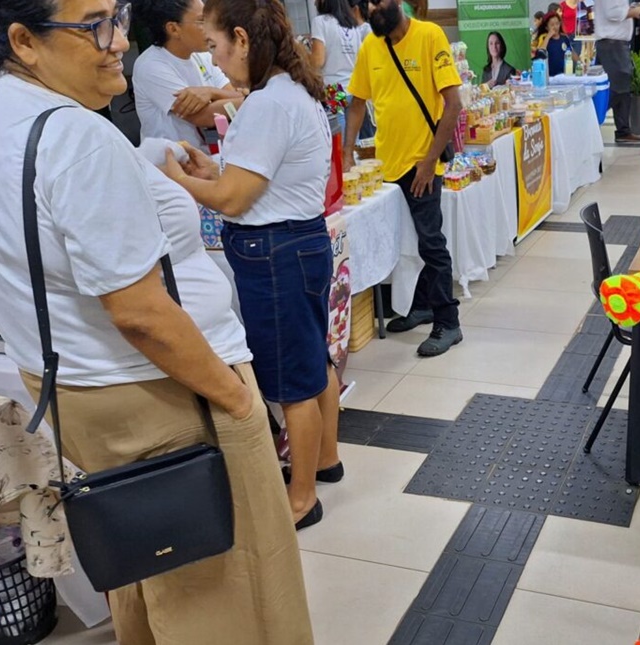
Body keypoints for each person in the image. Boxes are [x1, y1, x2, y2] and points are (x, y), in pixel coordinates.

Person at [0, 0, 315, 642]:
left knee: (151, 563)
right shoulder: (73, 135)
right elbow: (140, 314)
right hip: (158, 387)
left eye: (118, 15)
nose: (118, 40)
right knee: (226, 583)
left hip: (71, 383)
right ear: (24, 41)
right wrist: (237, 400)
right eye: (95, 24)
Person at [162, 0, 341, 530]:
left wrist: (176, 180)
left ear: (241, 38)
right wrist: (213, 168)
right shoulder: (287, 90)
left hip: (276, 253)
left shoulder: (269, 103)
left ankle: (301, 498)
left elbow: (237, 201)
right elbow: (260, 177)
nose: (215, 63)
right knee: (312, 361)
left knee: (291, 383)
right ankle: (325, 460)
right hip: (296, 242)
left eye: (216, 46)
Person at [344, 0, 465, 356]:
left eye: (378, 1)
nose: (371, 8)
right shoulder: (370, 46)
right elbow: (356, 103)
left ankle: (449, 322)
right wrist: (347, 150)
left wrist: (428, 164)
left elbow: (453, 104)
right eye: (365, 3)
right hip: (385, 167)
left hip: (421, 164)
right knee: (402, 242)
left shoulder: (430, 35)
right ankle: (422, 305)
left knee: (431, 242)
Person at [131, 0, 245, 152]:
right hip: (173, 165)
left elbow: (235, 93)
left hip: (208, 158)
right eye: (200, 21)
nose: (208, 27)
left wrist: (212, 92)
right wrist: (254, 101)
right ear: (173, 29)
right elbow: (204, 116)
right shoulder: (151, 65)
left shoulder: (203, 56)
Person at [309, 0, 373, 135]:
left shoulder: (320, 22)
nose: (315, 2)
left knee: (339, 139)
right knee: (352, 141)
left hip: (333, 88)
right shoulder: (352, 24)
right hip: (354, 87)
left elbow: (318, 60)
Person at [595, 0, 640, 142]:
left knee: (623, 85)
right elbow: (613, 12)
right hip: (612, 43)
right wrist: (635, 12)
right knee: (618, 87)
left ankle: (623, 130)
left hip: (617, 43)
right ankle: (593, 117)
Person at [534, 12, 576, 77]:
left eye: (557, 24)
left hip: (564, 75)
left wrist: (580, 63)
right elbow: (541, 53)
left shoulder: (564, 38)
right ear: (547, 27)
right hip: (550, 76)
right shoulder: (544, 38)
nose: (555, 27)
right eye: (552, 25)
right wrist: (548, 36)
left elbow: (571, 52)